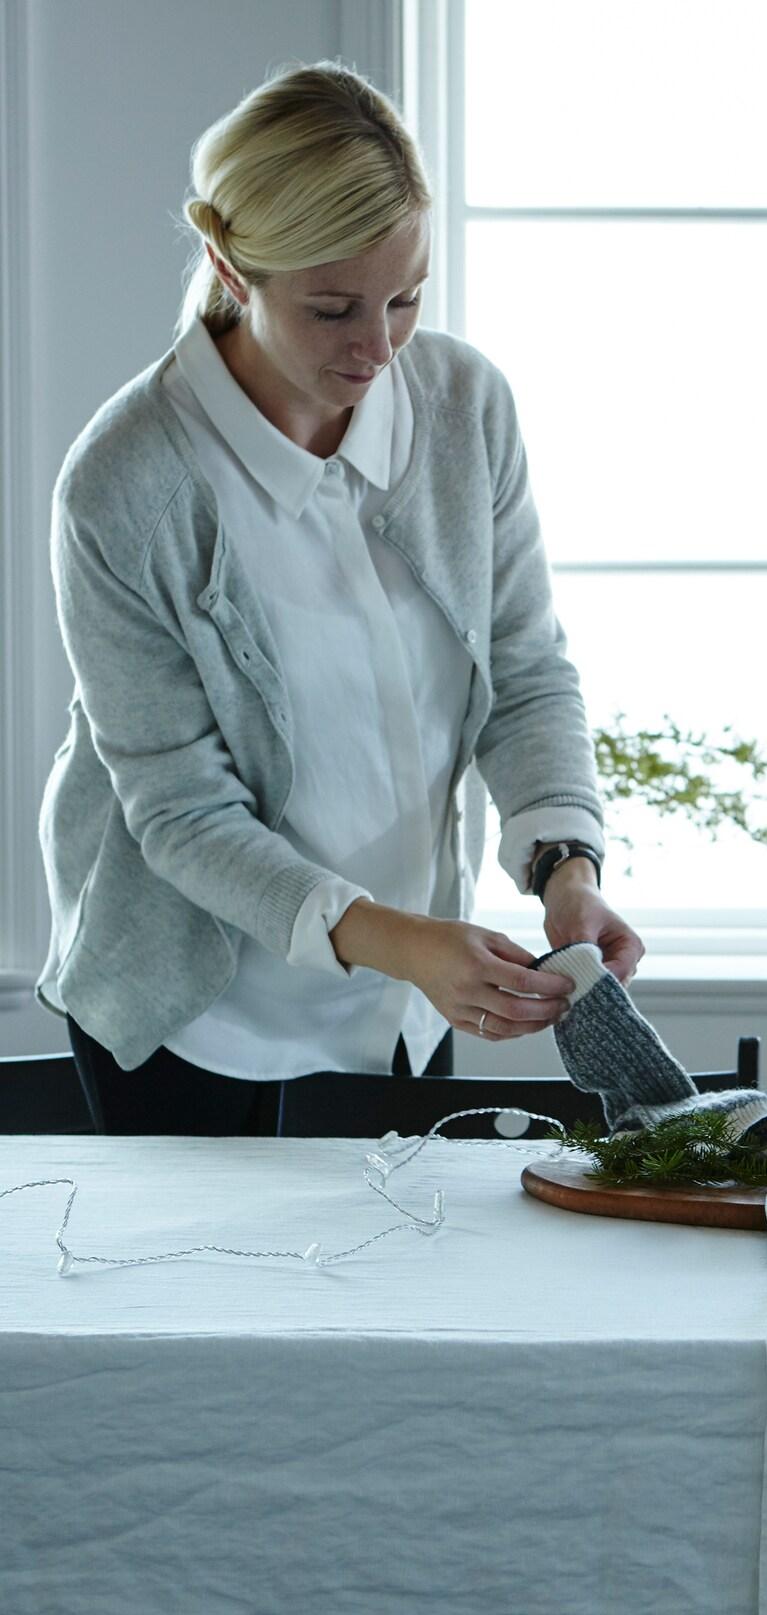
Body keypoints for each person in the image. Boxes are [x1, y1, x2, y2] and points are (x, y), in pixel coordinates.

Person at [35, 60, 643, 1137]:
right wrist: (402, 939)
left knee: (394, 1295)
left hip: (407, 1001)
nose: (378, 347)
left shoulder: (463, 409)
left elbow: (525, 669)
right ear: (230, 267)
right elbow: (179, 809)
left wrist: (564, 866)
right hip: (193, 1014)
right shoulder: (124, 484)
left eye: (405, 298)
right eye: (331, 309)